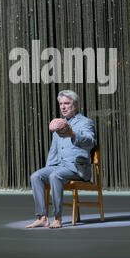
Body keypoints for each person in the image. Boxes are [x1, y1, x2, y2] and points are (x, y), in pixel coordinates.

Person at [26, 90, 96, 229]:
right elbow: (54, 150)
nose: (63, 107)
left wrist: (73, 134)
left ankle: (57, 218)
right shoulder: (59, 123)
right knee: (36, 176)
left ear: (75, 105)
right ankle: (42, 217)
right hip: (59, 166)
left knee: (55, 175)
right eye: (61, 104)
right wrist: (47, 168)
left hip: (77, 168)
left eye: (67, 103)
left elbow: (90, 142)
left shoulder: (85, 122)